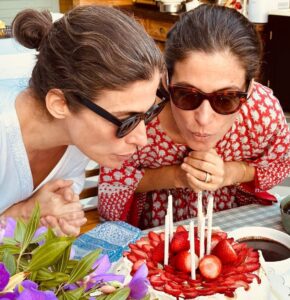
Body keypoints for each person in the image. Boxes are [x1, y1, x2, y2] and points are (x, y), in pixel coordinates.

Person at [98, 4, 290, 229]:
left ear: (249, 88)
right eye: (186, 95)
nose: (204, 119)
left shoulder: (261, 114)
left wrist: (232, 173)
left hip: (238, 228)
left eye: (226, 98)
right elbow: (112, 188)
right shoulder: (139, 115)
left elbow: (280, 165)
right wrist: (177, 176)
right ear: (165, 80)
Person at [0, 5, 165, 235]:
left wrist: (53, 221)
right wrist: (21, 215)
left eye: (147, 114)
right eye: (125, 120)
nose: (142, 140)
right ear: (59, 104)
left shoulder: (78, 136)